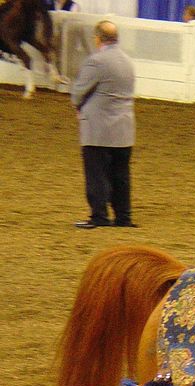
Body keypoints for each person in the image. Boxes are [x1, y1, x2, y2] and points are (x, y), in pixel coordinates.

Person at [70, 20, 136, 229]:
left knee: (96, 174)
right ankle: (123, 217)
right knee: (121, 176)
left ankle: (99, 216)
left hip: (98, 129)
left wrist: (78, 106)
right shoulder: (127, 61)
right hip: (123, 128)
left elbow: (78, 93)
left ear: (98, 38)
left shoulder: (96, 61)